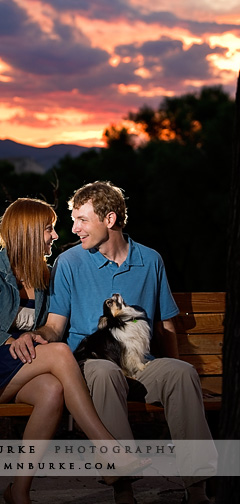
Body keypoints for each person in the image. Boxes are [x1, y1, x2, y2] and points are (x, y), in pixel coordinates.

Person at [13, 182, 217, 504]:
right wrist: (38, 336)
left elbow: (165, 325)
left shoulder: (150, 261)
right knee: (105, 374)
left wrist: (177, 364)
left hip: (140, 364)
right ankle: (123, 489)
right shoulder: (69, 263)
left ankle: (198, 490)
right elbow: (55, 326)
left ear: (109, 220)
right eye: (74, 219)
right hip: (92, 362)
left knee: (181, 374)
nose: (74, 228)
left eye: (82, 220)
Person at [0, 197, 150, 504]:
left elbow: (53, 325)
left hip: (22, 364)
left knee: (53, 391)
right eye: (49, 229)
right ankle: (108, 448)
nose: (55, 236)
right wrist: (12, 341)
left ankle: (19, 490)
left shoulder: (46, 275)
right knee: (57, 353)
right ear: (29, 232)